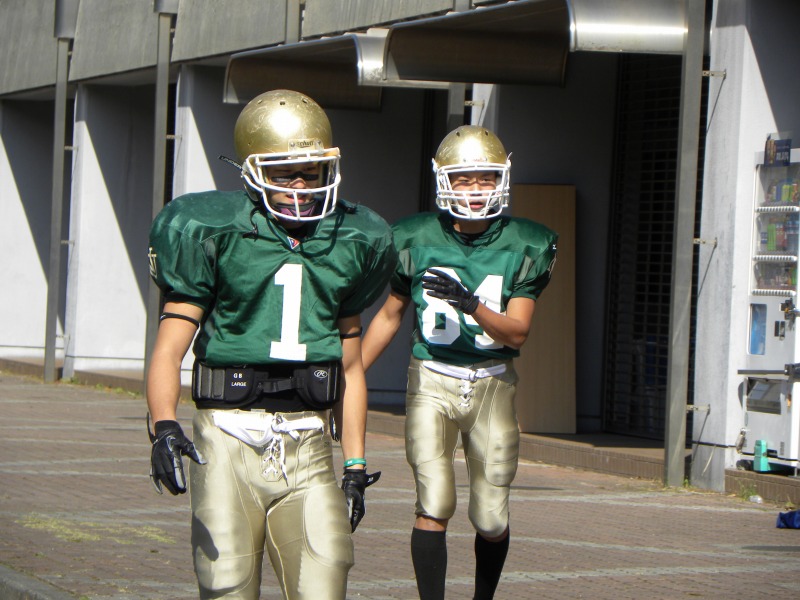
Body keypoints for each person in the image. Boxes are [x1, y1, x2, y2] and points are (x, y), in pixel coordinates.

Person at [146, 89, 396, 600]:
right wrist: (163, 426)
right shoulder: (213, 230)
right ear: (252, 171)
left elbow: (350, 367)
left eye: (309, 170)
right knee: (228, 587)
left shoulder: (351, 238)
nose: (299, 184)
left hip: (308, 440)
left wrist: (354, 463)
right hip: (227, 438)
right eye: (284, 173)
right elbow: (170, 349)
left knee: (325, 583)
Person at [362, 125, 558, 600]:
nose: (475, 189)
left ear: (501, 180)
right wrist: (352, 374)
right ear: (444, 180)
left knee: (490, 516)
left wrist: (471, 305)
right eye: (463, 179)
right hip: (431, 377)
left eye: (485, 179)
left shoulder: (527, 242)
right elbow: (389, 316)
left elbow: (517, 332)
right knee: (434, 502)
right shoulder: (413, 235)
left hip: (493, 382)